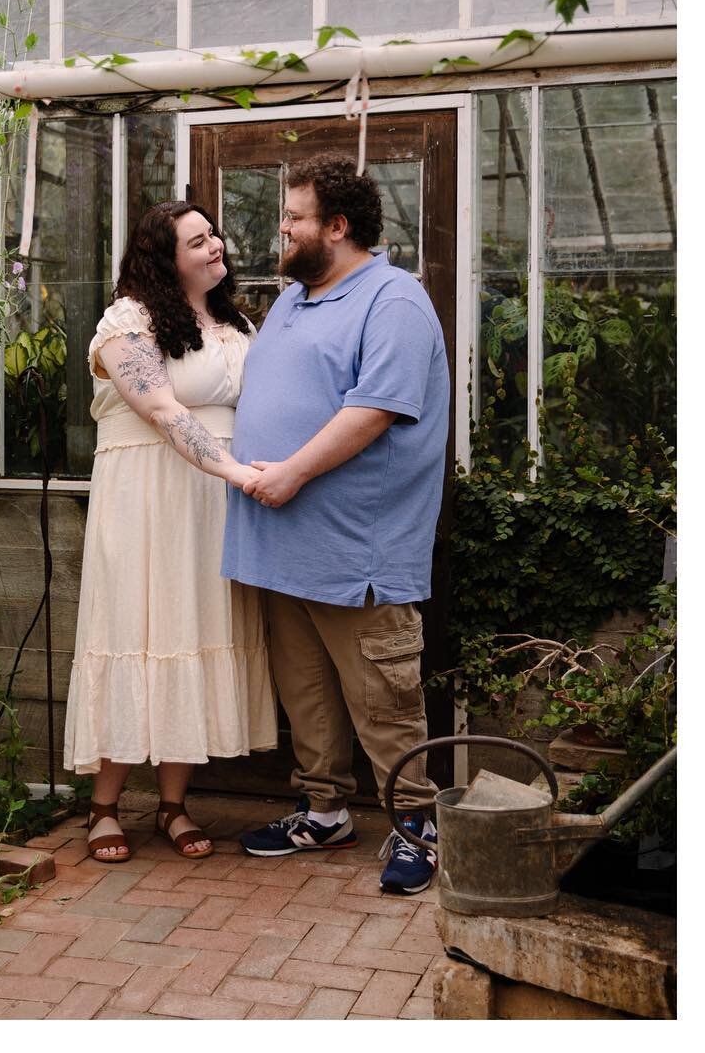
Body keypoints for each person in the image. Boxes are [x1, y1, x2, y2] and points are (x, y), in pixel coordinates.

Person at [223, 153, 450, 894]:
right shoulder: (294, 299)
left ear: (338, 226)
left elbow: (375, 409)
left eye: (293, 219)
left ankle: (419, 826)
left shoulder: (394, 301)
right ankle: (325, 812)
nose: (280, 231)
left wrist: (289, 472)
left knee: (384, 699)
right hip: (281, 544)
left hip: (358, 551)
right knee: (307, 695)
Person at [63, 201, 277, 863]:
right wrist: (238, 472)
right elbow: (160, 408)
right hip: (147, 494)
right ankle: (104, 806)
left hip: (211, 499)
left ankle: (173, 806)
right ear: (165, 258)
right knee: (133, 628)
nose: (215, 246)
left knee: (192, 627)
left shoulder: (235, 324)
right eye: (197, 241)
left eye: (214, 235)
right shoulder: (126, 322)